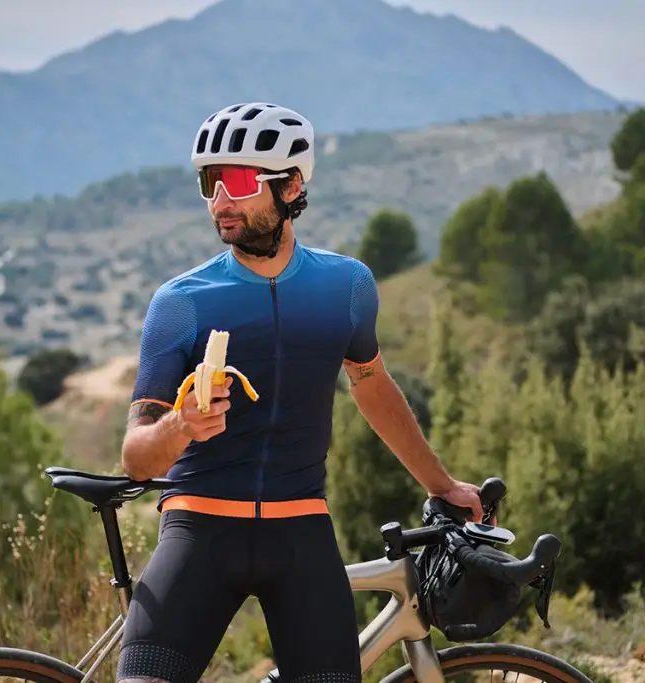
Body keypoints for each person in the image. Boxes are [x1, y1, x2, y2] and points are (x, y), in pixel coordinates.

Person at [116, 101, 485, 683]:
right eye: (209, 183)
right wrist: (181, 425)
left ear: (290, 186)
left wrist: (442, 485)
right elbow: (136, 457)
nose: (219, 201)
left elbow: (371, 385)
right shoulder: (181, 302)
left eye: (235, 181)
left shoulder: (347, 287)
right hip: (199, 529)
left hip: (301, 534)